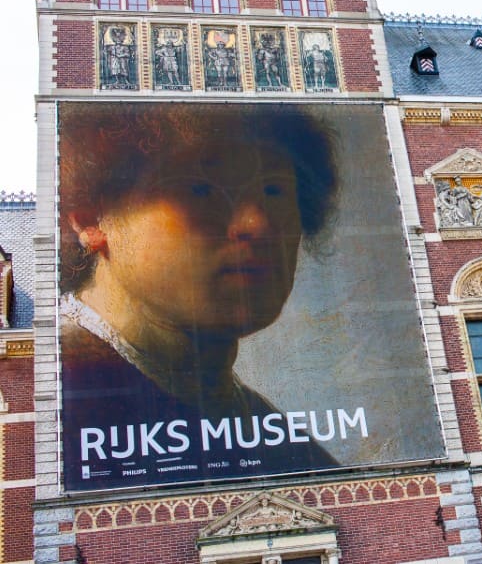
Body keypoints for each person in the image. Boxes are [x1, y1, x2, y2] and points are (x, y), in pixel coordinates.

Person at [59, 103, 338, 489]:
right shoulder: (66, 395)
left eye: (273, 191)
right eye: (201, 189)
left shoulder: (287, 444)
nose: (257, 224)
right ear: (91, 219)